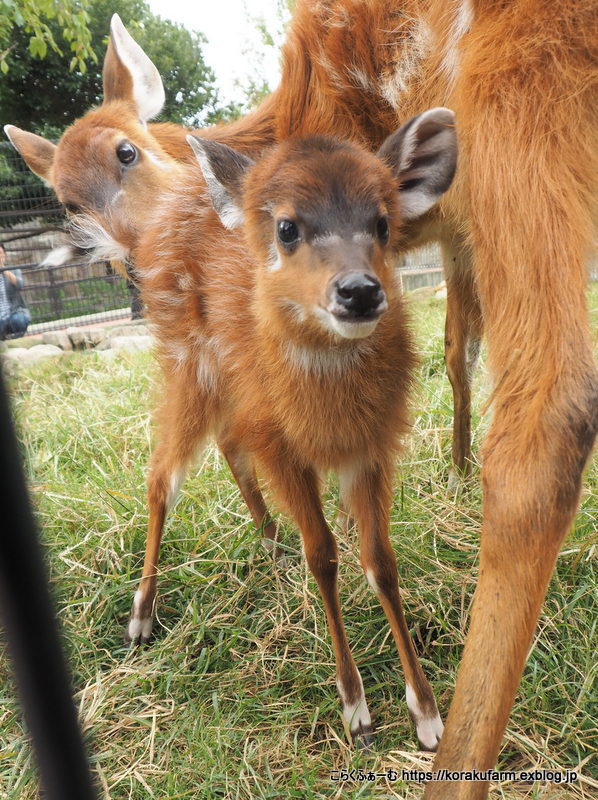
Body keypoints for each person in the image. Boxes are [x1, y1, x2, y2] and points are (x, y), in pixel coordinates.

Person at [0, 244, 31, 340]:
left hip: (14, 313)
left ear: (5, 255)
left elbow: (20, 285)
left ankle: (14, 342)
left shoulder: (14, 270)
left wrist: (3, 268)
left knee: (20, 320)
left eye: (0, 253)